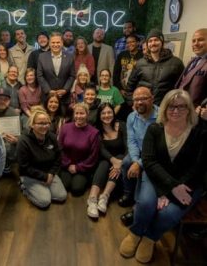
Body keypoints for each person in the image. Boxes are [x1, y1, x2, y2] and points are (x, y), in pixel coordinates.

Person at [119, 89, 207, 264]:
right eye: (171, 106)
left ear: (189, 109)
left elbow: (200, 167)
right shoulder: (155, 128)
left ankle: (150, 237)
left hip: (188, 182)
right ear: (164, 108)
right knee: (145, 204)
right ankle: (136, 232)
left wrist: (173, 189)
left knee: (169, 214)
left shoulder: (200, 131)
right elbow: (149, 161)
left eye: (181, 106)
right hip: (157, 176)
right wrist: (167, 188)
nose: (175, 110)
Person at [17, 108, 67, 208]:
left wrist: (51, 174)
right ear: (32, 124)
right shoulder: (23, 141)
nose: (44, 126)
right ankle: (24, 186)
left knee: (61, 196)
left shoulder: (52, 137)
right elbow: (24, 167)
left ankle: (44, 189)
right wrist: (44, 177)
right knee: (44, 202)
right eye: (40, 123)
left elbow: (58, 157)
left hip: (49, 173)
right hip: (31, 175)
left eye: (47, 123)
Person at [119, 87, 158, 208]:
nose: (139, 102)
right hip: (139, 152)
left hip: (156, 155)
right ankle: (128, 194)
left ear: (152, 99)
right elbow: (131, 141)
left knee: (144, 169)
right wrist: (136, 160)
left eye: (143, 98)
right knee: (126, 163)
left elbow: (158, 148)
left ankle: (138, 202)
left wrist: (139, 164)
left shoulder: (161, 117)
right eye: (136, 99)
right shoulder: (131, 116)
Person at [87, 103, 127, 218]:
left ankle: (104, 196)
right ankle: (92, 198)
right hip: (104, 159)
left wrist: (120, 162)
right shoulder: (96, 130)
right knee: (104, 163)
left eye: (109, 112)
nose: (106, 115)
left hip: (122, 160)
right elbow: (101, 149)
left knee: (119, 156)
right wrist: (113, 160)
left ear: (113, 113)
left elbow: (128, 147)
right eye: (103, 113)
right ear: (99, 115)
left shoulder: (122, 125)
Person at [127, 28, 184, 106]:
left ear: (162, 42)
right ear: (147, 44)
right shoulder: (140, 63)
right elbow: (130, 86)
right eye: (150, 41)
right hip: (144, 108)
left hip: (165, 108)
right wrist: (133, 103)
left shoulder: (176, 63)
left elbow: (182, 88)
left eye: (156, 40)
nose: (153, 43)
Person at [58, 103, 100, 196]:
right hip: (66, 165)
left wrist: (78, 167)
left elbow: (93, 156)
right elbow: (60, 148)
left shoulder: (94, 132)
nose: (79, 116)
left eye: (82, 113)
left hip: (83, 167)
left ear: (87, 114)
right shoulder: (65, 127)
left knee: (76, 190)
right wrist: (68, 164)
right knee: (64, 186)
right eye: (76, 113)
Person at [37, 32, 75, 114]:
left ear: (62, 43)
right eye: (53, 42)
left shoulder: (70, 57)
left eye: (58, 42)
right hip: (47, 98)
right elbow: (40, 76)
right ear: (49, 44)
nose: (55, 45)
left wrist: (65, 89)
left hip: (64, 98)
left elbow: (72, 76)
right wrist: (48, 91)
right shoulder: (42, 57)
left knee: (63, 123)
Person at [176, 28, 207, 106]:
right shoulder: (192, 61)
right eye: (193, 41)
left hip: (197, 113)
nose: (196, 44)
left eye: (200, 40)